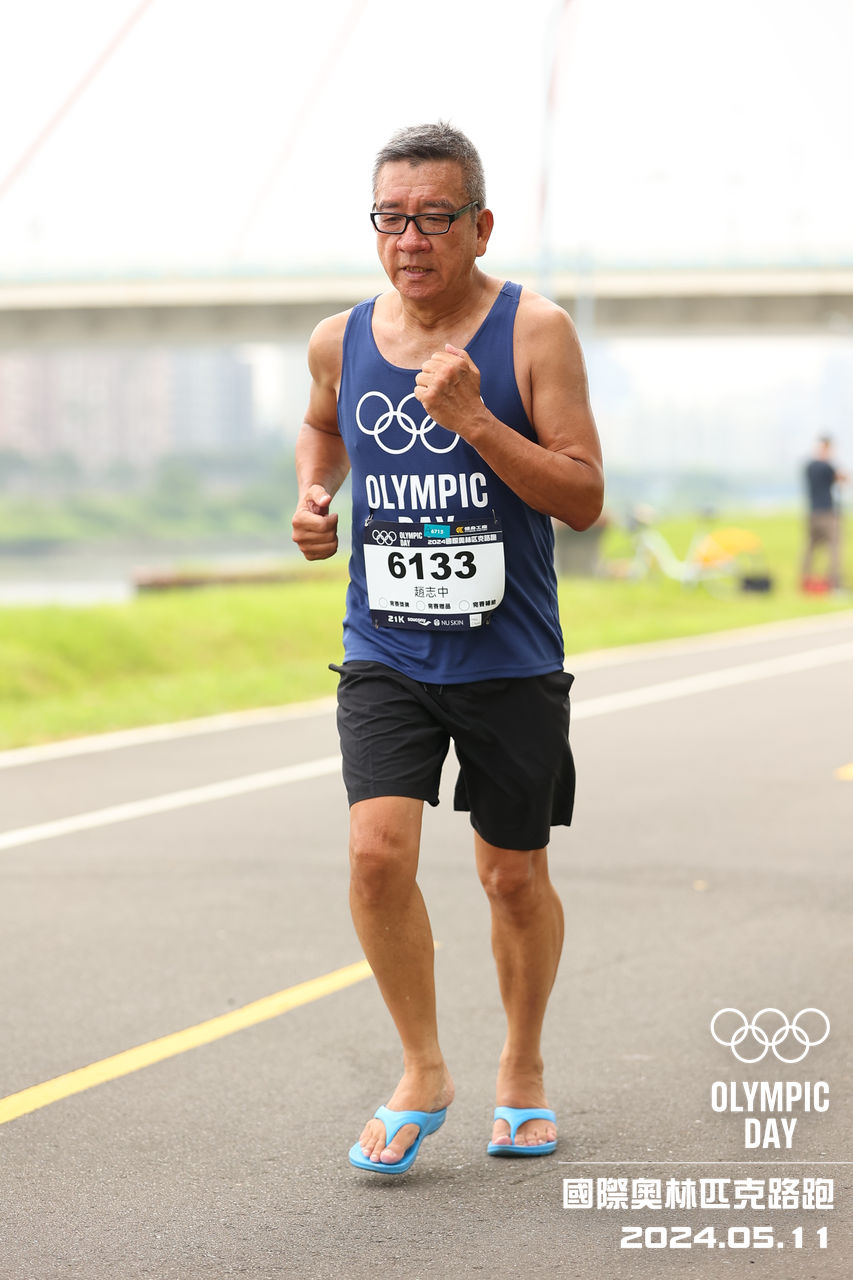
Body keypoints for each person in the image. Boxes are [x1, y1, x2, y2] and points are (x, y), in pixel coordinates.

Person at [291, 121, 604, 1174]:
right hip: (384, 646)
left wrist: (473, 418)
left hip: (508, 656)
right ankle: (422, 1068)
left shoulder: (534, 332)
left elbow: (583, 498)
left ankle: (522, 1064)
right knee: (375, 853)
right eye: (390, 218)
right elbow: (323, 426)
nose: (409, 239)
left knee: (511, 877)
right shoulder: (339, 338)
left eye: (432, 217)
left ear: (480, 225)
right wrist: (315, 494)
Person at [802, 435, 847, 592]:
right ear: (826, 448)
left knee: (809, 548)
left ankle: (804, 581)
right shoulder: (827, 466)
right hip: (828, 513)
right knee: (834, 548)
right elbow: (842, 479)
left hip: (812, 513)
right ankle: (835, 584)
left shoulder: (809, 466)